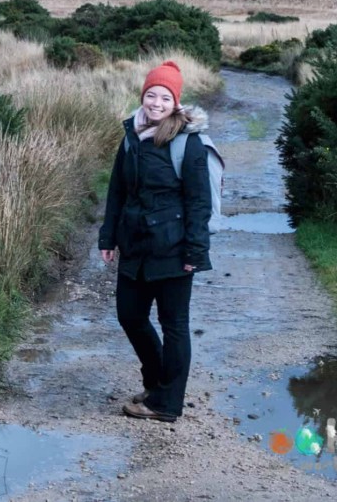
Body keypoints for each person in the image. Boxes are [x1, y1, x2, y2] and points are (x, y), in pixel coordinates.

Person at [98, 60, 212, 423]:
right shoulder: (131, 135)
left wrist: (196, 250)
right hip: (134, 244)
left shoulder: (188, 143)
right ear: (143, 96)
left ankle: (167, 403)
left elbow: (198, 202)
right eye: (151, 95)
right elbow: (117, 190)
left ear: (176, 102)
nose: (156, 102)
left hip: (174, 248)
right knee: (129, 315)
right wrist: (108, 236)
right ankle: (158, 382)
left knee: (174, 323)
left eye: (165, 97)